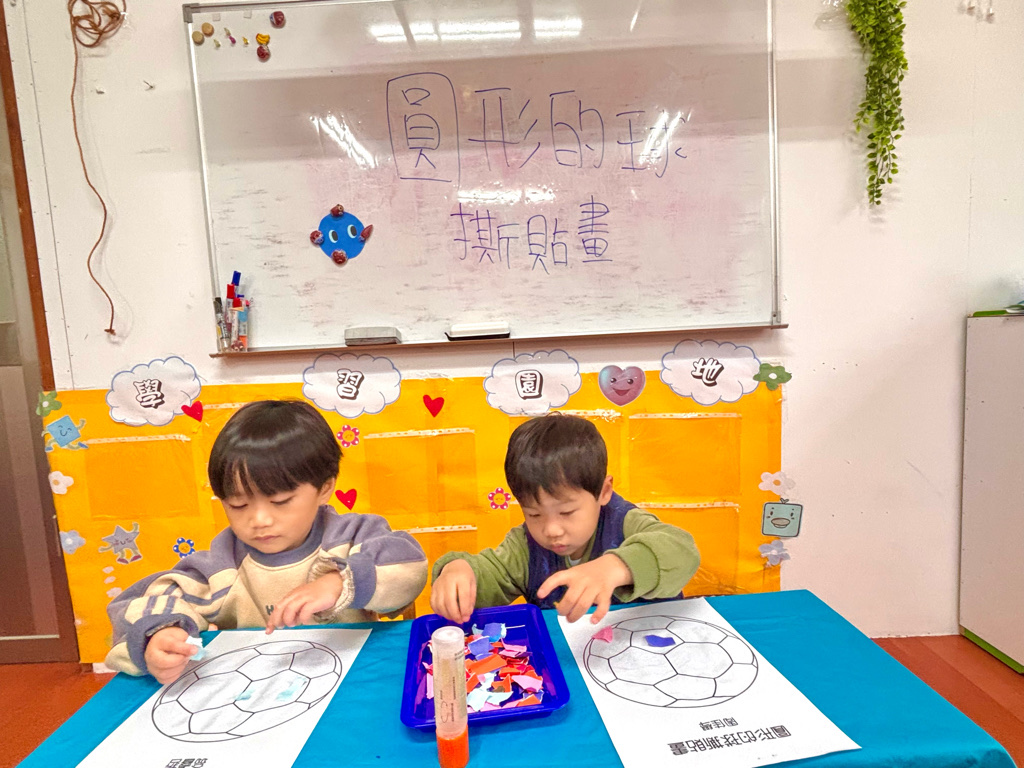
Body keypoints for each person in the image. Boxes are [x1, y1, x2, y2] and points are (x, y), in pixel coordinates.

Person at [105, 400, 427, 682]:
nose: (259, 520)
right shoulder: (223, 564)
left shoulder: (351, 537)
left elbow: (407, 567)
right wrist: (161, 635)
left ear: (325, 488)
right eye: (238, 505)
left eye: (280, 501)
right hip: (258, 690)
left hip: (354, 681)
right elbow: (159, 597)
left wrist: (339, 582)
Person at [431, 413, 699, 625]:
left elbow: (682, 551)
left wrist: (615, 567)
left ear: (604, 491)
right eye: (534, 514)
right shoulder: (524, 546)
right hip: (574, 660)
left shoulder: (624, 522)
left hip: (654, 647)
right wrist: (458, 571)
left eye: (567, 512)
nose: (551, 530)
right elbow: (490, 574)